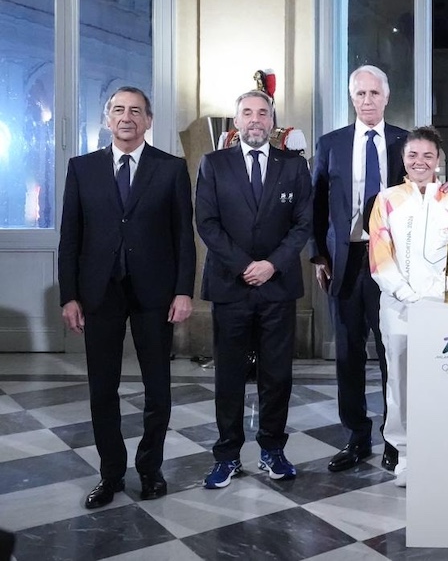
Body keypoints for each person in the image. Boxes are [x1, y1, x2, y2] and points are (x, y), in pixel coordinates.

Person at [58, 86, 195, 509]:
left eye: (136, 111)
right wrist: (69, 296)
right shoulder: (82, 168)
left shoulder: (171, 169)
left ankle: (150, 469)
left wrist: (183, 290)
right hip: (99, 293)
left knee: (158, 389)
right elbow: (70, 237)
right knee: (103, 389)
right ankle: (111, 473)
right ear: (107, 119)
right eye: (118, 110)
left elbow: (183, 237)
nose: (126, 117)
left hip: (155, 293)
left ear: (148, 121)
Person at [196, 89, 312, 489]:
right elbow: (207, 223)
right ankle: (227, 455)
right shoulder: (213, 164)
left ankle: (272, 450)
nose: (255, 119)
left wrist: (271, 265)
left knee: (277, 375)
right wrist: (245, 266)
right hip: (231, 285)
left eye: (263, 113)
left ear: (272, 121)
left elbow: (303, 224)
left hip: (277, 286)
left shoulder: (293, 166)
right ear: (236, 121)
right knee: (229, 376)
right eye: (247, 112)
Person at [311, 65, 407, 474]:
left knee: (392, 353)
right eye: (360, 94)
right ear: (352, 98)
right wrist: (319, 255)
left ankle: (395, 437)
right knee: (348, 354)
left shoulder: (405, 142)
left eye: (374, 93)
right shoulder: (331, 143)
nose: (367, 100)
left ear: (386, 97)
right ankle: (355, 436)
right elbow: (315, 203)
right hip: (346, 261)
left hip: (392, 262)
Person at [369, 126, 448, 487]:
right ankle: (406, 456)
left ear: (438, 159)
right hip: (398, 308)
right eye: (413, 155)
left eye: (428, 155)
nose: (420, 162)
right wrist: (406, 294)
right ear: (403, 159)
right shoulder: (386, 200)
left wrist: (441, 299)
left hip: (442, 311)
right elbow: (379, 255)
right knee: (400, 383)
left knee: (444, 381)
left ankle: (440, 452)